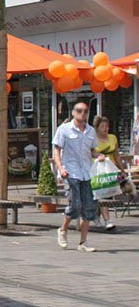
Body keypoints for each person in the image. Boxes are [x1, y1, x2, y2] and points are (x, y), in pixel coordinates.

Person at [53, 101, 98, 252]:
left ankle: (83, 243)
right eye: (79, 111)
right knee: (75, 205)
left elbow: (92, 151)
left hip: (86, 172)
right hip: (71, 172)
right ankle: (63, 230)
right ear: (73, 112)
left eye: (85, 111)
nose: (82, 114)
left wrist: (100, 156)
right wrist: (60, 168)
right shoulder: (64, 129)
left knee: (89, 208)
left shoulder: (91, 131)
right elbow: (57, 150)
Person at [92, 115, 120, 232]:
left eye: (107, 126)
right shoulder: (93, 139)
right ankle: (107, 221)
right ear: (97, 128)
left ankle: (97, 216)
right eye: (103, 126)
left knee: (103, 195)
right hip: (97, 170)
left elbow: (117, 155)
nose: (105, 128)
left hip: (110, 170)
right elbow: (90, 152)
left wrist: (121, 168)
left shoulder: (113, 138)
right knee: (104, 195)